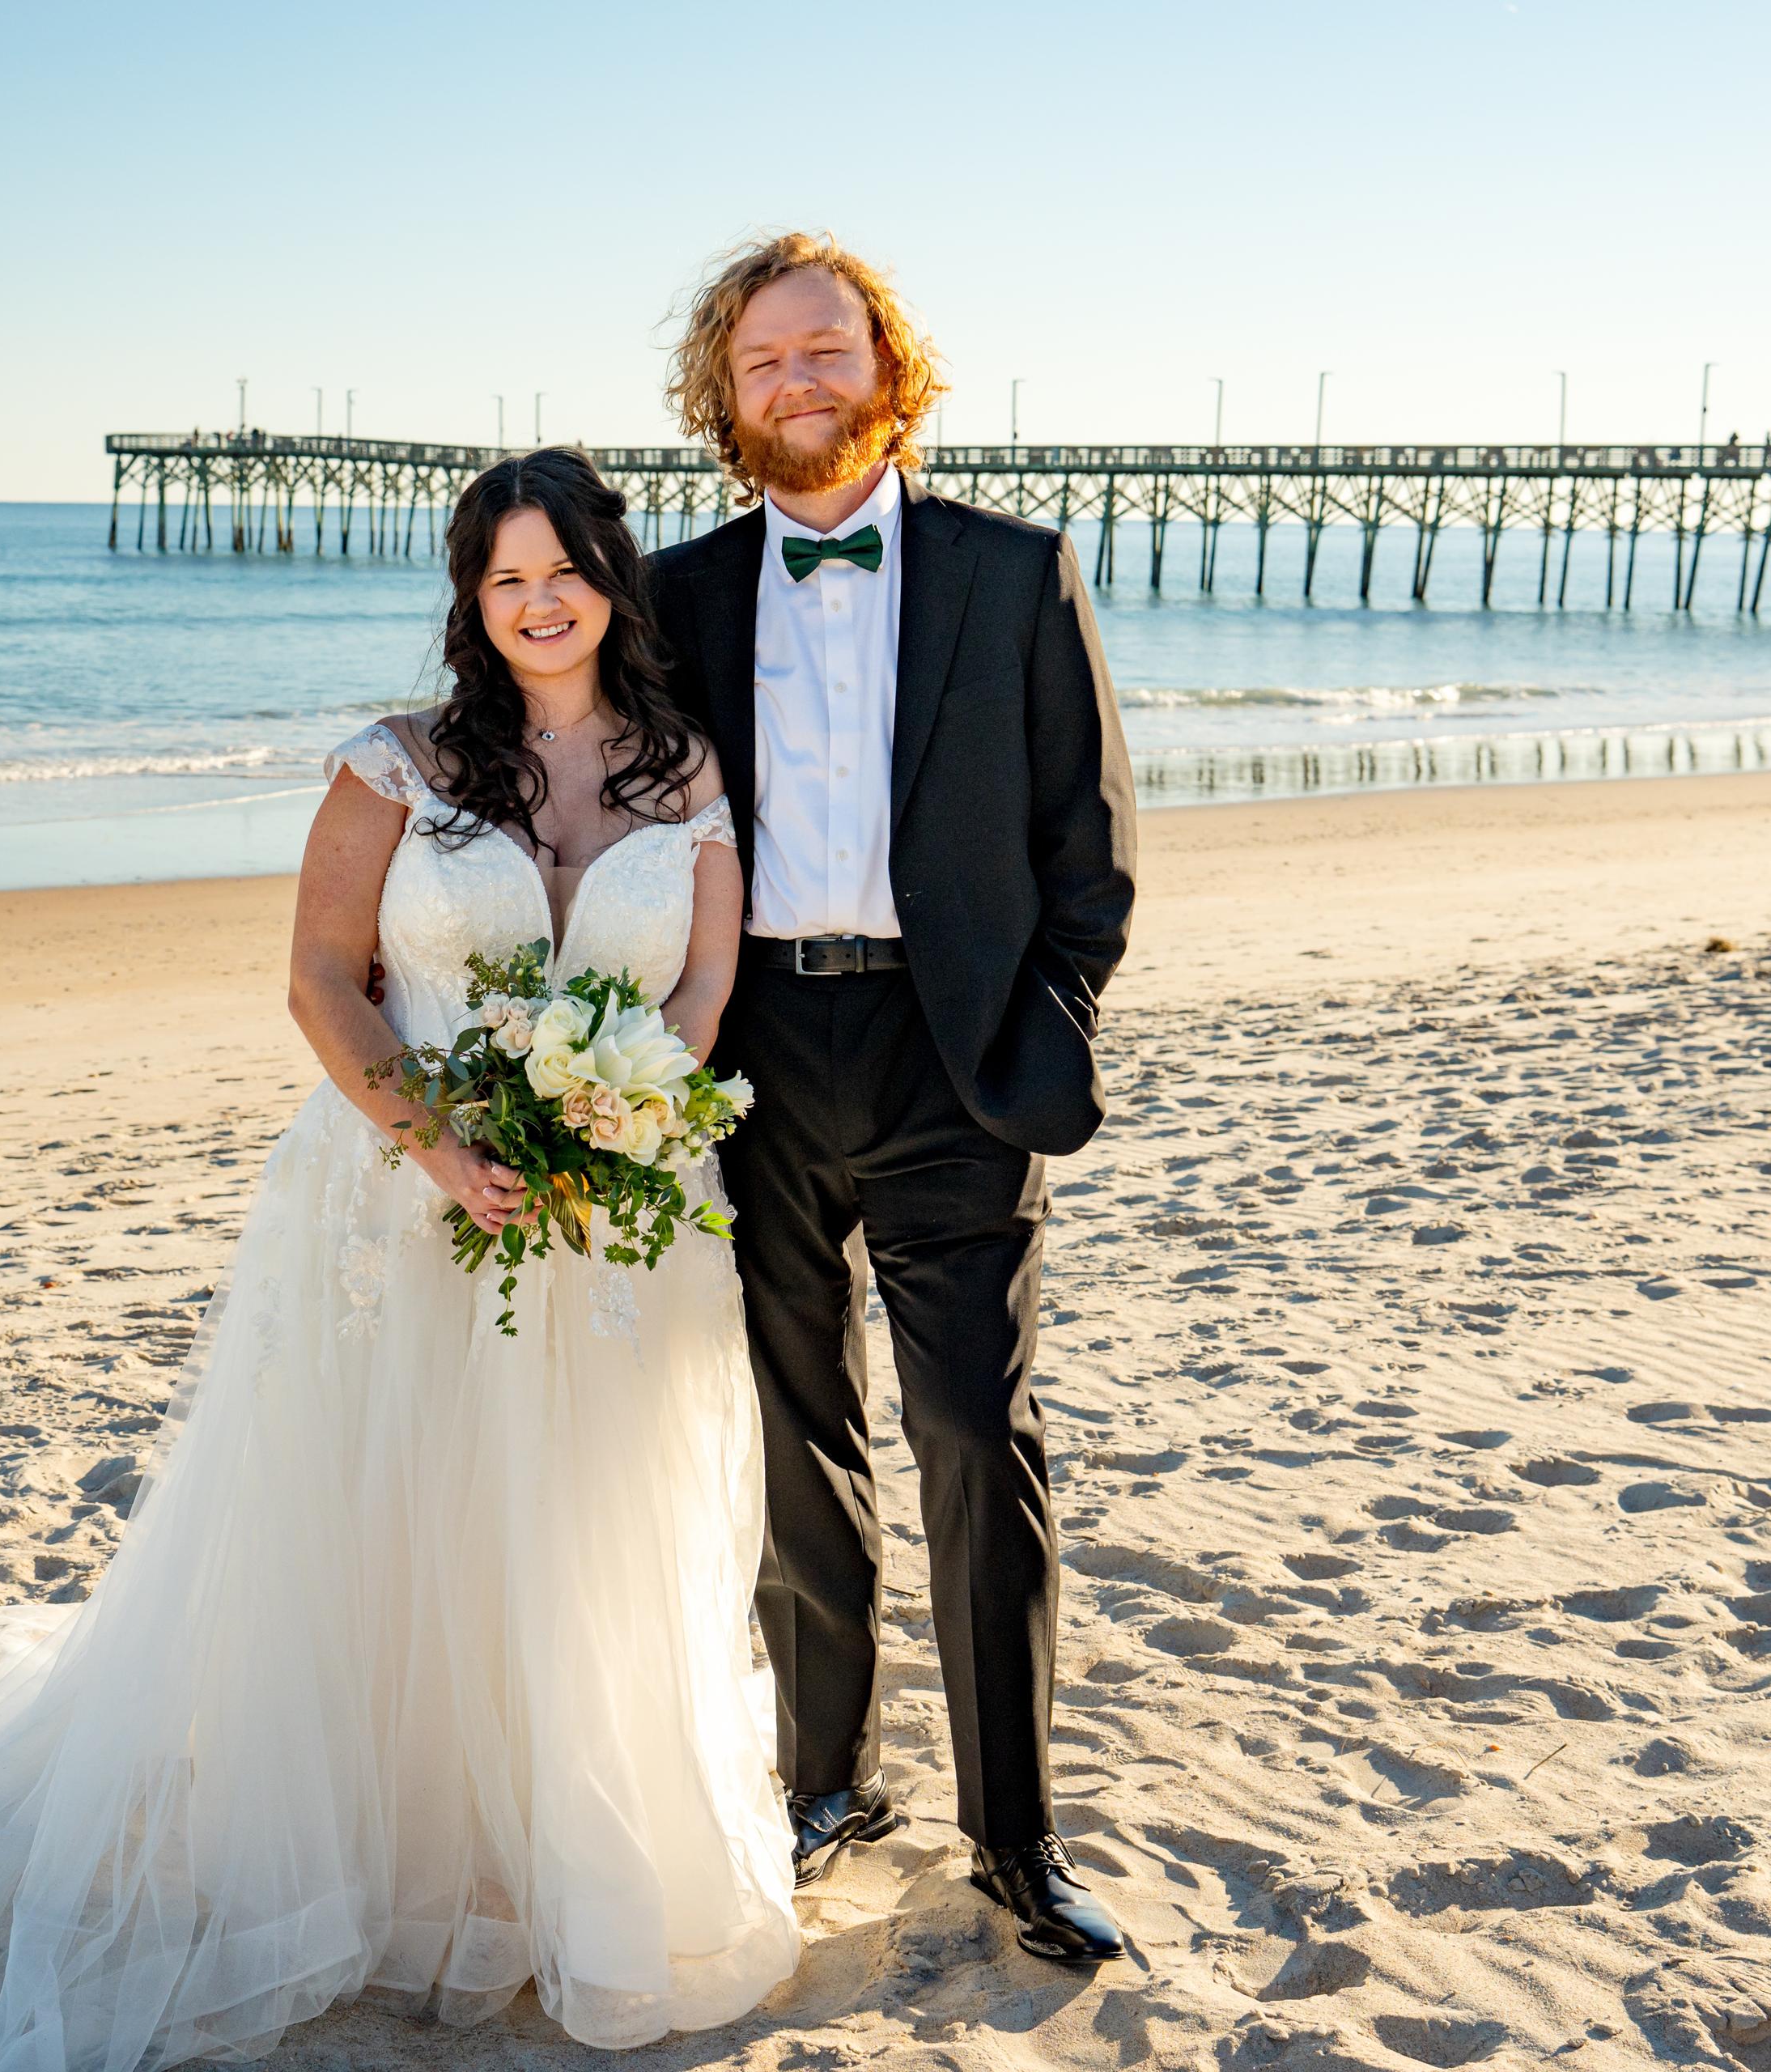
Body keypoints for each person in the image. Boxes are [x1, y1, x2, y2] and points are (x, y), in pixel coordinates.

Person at [0, 449, 796, 2069]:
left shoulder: (685, 773)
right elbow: (324, 978)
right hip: (405, 1202)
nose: (540, 600)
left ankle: (562, 1858)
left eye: (566, 568)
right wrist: (439, 1142)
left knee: (583, 1525)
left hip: (614, 1218)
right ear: (471, 594)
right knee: (392, 1518)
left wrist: (610, 1137)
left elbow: (701, 996)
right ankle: (393, 1860)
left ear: (613, 577)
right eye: (505, 574)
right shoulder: (400, 765)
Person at [644, 232, 1136, 1964]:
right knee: (797, 1439)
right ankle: (823, 1778)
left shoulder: (1016, 573)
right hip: (753, 1053)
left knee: (972, 1440)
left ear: (887, 366)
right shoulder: (678, 594)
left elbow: (1092, 847)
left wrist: (1039, 1027)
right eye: (764, 358)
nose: (798, 379)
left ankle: (1015, 1832)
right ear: (725, 395)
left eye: (826, 348)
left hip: (956, 1061)